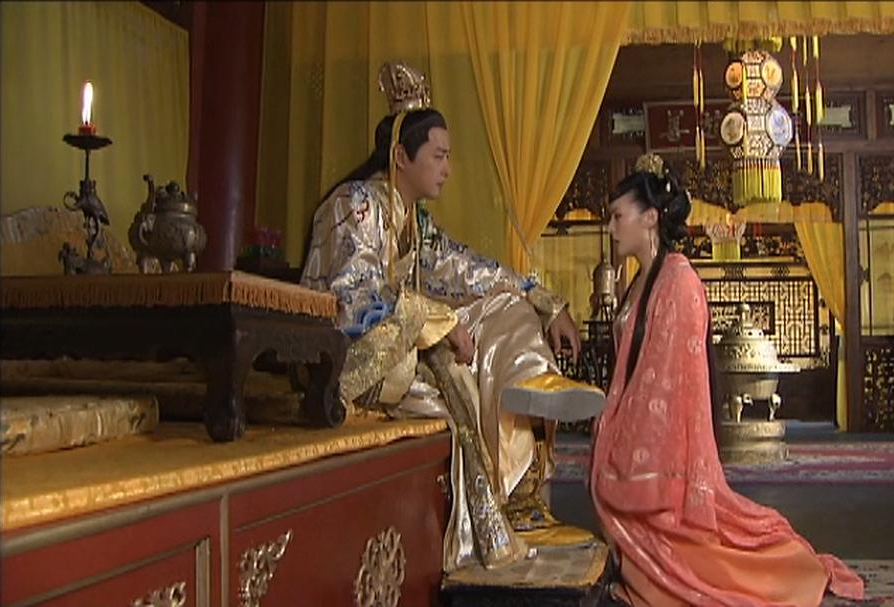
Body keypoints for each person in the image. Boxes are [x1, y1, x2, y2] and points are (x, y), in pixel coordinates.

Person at [300, 61, 604, 572]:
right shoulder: (355, 205)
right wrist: (438, 322)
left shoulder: (414, 224)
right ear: (401, 156)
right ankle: (503, 508)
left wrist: (543, 299)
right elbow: (350, 298)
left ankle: (531, 389)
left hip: (402, 346)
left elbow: (468, 270)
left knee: (505, 304)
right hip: (351, 363)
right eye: (438, 156)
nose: (447, 168)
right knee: (460, 380)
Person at [591, 153, 865, 605]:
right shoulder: (640, 281)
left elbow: (665, 385)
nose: (611, 228)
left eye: (618, 217)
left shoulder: (677, 281)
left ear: (651, 218)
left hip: (661, 444)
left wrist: (622, 436)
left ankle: (787, 571)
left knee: (711, 562)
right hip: (631, 428)